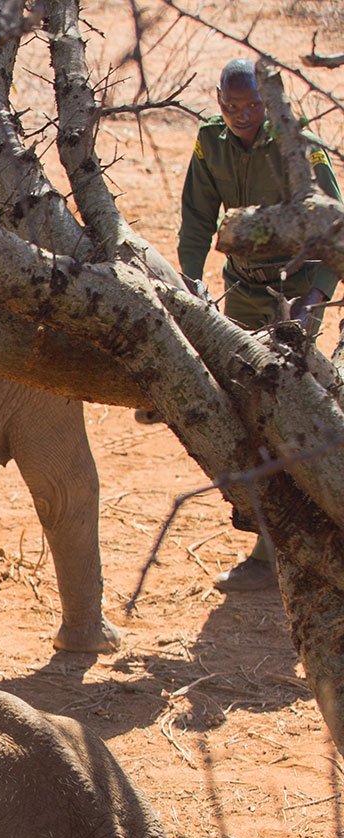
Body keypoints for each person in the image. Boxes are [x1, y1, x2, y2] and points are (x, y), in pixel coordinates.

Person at [174, 58, 342, 592]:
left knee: (290, 414)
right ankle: (270, 539)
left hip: (295, 296)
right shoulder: (212, 143)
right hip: (242, 292)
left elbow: (335, 226)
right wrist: (190, 280)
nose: (243, 115)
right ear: (218, 100)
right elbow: (197, 216)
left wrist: (313, 298)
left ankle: (282, 551)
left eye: (253, 106)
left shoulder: (300, 150)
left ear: (268, 105)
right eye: (232, 105)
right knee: (245, 411)